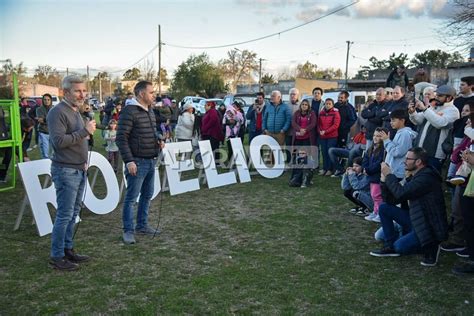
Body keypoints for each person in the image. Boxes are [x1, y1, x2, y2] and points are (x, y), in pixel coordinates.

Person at [47, 75, 97, 271]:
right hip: (65, 170)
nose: (82, 94)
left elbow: (77, 140)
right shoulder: (56, 112)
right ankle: (57, 255)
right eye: (77, 91)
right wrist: (85, 132)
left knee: (73, 213)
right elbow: (58, 142)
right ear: (65, 92)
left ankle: (68, 249)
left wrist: (83, 161)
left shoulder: (75, 111)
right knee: (65, 214)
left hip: (78, 168)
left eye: (84, 91)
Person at [370, 147, 448, 267]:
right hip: (415, 219)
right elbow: (393, 199)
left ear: (418, 162)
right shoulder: (416, 176)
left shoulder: (426, 178)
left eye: (408, 159)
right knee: (384, 208)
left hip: (427, 226)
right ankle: (389, 245)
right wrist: (383, 181)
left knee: (400, 247)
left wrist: (390, 175)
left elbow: (401, 193)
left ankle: (431, 245)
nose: (404, 161)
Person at [116, 80, 162, 245]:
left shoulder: (149, 110)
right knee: (131, 198)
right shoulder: (129, 112)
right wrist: (129, 161)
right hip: (137, 161)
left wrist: (158, 140)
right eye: (151, 92)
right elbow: (121, 138)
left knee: (147, 195)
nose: (154, 95)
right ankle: (128, 230)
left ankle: (142, 225)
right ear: (142, 94)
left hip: (150, 160)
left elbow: (151, 131)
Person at [409, 84, 460, 172]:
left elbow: (440, 123)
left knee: (431, 179)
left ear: (449, 98)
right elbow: (418, 121)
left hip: (435, 154)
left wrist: (425, 109)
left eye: (440, 96)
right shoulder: (433, 107)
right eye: (436, 95)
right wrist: (412, 112)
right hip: (421, 151)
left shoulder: (453, 111)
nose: (436, 97)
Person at [381, 109, 417, 180]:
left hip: (398, 172)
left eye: (394, 120)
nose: (391, 123)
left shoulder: (405, 134)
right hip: (393, 170)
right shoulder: (400, 132)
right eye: (391, 120)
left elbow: (398, 152)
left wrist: (386, 141)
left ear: (402, 121)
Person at [361, 127, 387, 222]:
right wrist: (364, 168)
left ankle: (379, 213)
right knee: (373, 195)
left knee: (377, 195)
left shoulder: (383, 150)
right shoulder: (371, 148)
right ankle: (375, 212)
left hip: (377, 176)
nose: (375, 138)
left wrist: (368, 170)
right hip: (370, 175)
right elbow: (365, 159)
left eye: (378, 136)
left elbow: (379, 163)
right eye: (374, 135)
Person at [317, 98, 340, 176]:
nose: (327, 105)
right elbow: (318, 123)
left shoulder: (335, 113)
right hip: (323, 136)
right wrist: (320, 130)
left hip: (332, 136)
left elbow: (335, 125)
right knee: (324, 153)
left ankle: (330, 169)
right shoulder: (321, 113)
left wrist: (326, 131)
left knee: (330, 152)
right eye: (326, 103)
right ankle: (324, 168)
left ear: (332, 105)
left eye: (329, 103)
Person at [36, 94, 53, 159]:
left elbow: (56, 120)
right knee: (45, 154)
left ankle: (53, 168)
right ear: (42, 100)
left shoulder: (54, 108)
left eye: (48, 100)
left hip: (53, 133)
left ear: (51, 100)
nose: (47, 101)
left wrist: (45, 119)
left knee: (54, 153)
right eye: (45, 99)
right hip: (43, 133)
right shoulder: (39, 109)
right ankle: (45, 168)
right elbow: (40, 120)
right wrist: (50, 119)